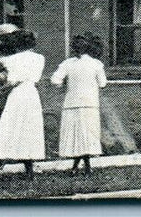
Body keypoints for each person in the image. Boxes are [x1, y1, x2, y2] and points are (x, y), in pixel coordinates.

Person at [0, 28, 47, 178]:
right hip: (31, 93)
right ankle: (29, 167)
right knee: (29, 128)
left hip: (17, 94)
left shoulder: (10, 59)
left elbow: (11, 81)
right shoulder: (39, 58)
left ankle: (0, 159)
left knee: (9, 124)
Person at [51, 35, 107, 175]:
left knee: (75, 136)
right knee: (87, 135)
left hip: (71, 103)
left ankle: (76, 166)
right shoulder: (96, 64)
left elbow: (55, 80)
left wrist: (65, 84)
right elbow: (102, 83)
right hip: (89, 103)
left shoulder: (67, 64)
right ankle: (86, 167)